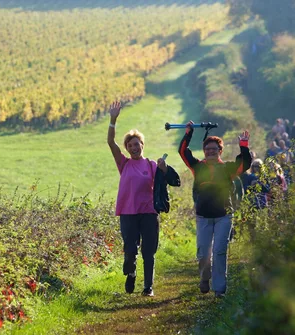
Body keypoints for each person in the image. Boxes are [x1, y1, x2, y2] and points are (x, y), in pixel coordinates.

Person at [107, 101, 175, 297]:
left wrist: (164, 168)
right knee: (130, 250)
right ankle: (131, 272)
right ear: (127, 148)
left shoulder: (152, 165)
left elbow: (168, 181)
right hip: (128, 213)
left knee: (149, 251)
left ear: (142, 145)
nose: (134, 147)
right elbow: (111, 143)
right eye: (130, 145)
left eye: (137, 144)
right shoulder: (124, 164)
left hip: (148, 212)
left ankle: (148, 287)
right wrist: (113, 120)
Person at [178, 120, 251, 298]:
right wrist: (188, 133)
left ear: (220, 151)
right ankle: (204, 278)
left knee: (219, 250)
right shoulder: (198, 166)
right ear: (204, 151)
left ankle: (219, 289)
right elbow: (182, 152)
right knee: (203, 252)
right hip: (203, 216)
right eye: (208, 149)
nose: (211, 151)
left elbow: (245, 164)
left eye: (214, 149)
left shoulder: (227, 168)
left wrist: (244, 145)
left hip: (224, 216)